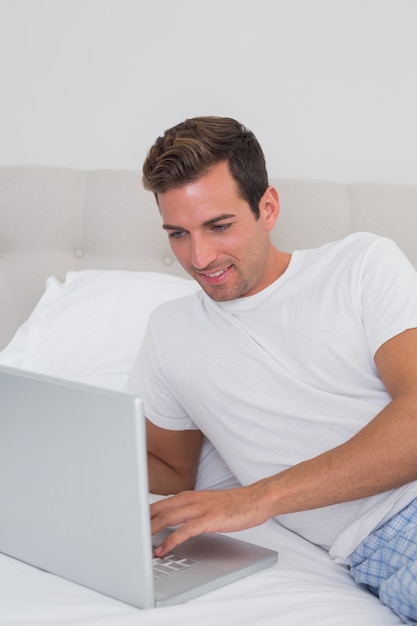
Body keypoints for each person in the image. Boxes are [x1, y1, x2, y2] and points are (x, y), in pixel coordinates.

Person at [126, 116, 417, 624]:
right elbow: (172, 471)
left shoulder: (360, 266)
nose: (200, 257)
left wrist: (257, 499)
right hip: (384, 544)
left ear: (268, 207)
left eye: (219, 226)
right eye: (178, 233)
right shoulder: (168, 332)